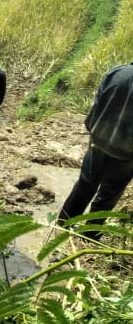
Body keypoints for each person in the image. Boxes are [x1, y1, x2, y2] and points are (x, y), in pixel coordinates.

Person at [57, 62, 133, 238]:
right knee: (106, 197)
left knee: (84, 186)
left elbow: (96, 103)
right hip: (126, 153)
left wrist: (92, 127)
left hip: (98, 141)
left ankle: (61, 228)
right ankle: (89, 236)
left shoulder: (117, 71)